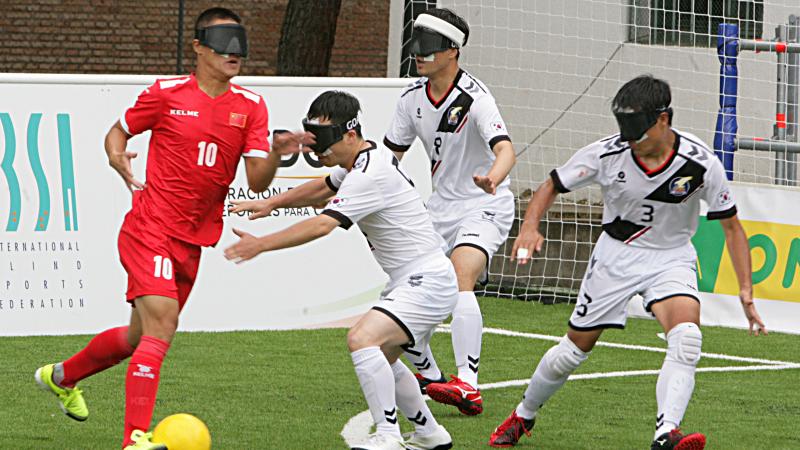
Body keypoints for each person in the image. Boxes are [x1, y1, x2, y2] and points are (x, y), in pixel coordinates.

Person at [34, 8, 309, 449]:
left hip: (194, 239)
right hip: (149, 227)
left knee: (137, 337)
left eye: (239, 41)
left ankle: (60, 376)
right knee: (163, 323)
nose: (233, 52)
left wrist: (277, 152)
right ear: (198, 46)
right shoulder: (165, 94)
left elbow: (257, 181)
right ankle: (134, 439)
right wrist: (115, 155)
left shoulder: (252, 106)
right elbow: (117, 132)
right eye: (222, 40)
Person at [487, 75, 768, 449]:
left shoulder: (701, 163)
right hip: (615, 256)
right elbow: (551, 184)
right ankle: (523, 414)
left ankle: (666, 434)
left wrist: (746, 290)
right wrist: (529, 226)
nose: (631, 139)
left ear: (664, 119)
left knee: (687, 339)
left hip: (671, 257)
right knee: (572, 351)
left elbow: (732, 228)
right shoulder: (606, 153)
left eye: (638, 129)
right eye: (625, 129)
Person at [226, 91, 456, 450]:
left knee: (362, 339)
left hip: (427, 279)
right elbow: (322, 187)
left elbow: (322, 224)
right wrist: (272, 202)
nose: (320, 153)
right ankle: (429, 433)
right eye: (315, 141)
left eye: (326, 143)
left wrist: (261, 244)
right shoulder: (365, 156)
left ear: (350, 134)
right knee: (381, 355)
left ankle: (388, 435)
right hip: (414, 278)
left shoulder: (369, 174)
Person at [384, 8, 517, 416]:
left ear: (452, 52)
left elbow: (506, 150)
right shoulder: (410, 99)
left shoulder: (476, 97)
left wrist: (493, 178)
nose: (418, 55)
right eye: (416, 46)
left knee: (462, 277)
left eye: (427, 48)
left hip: (485, 205)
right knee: (396, 298)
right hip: (438, 209)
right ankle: (430, 376)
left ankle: (468, 385)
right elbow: (390, 159)